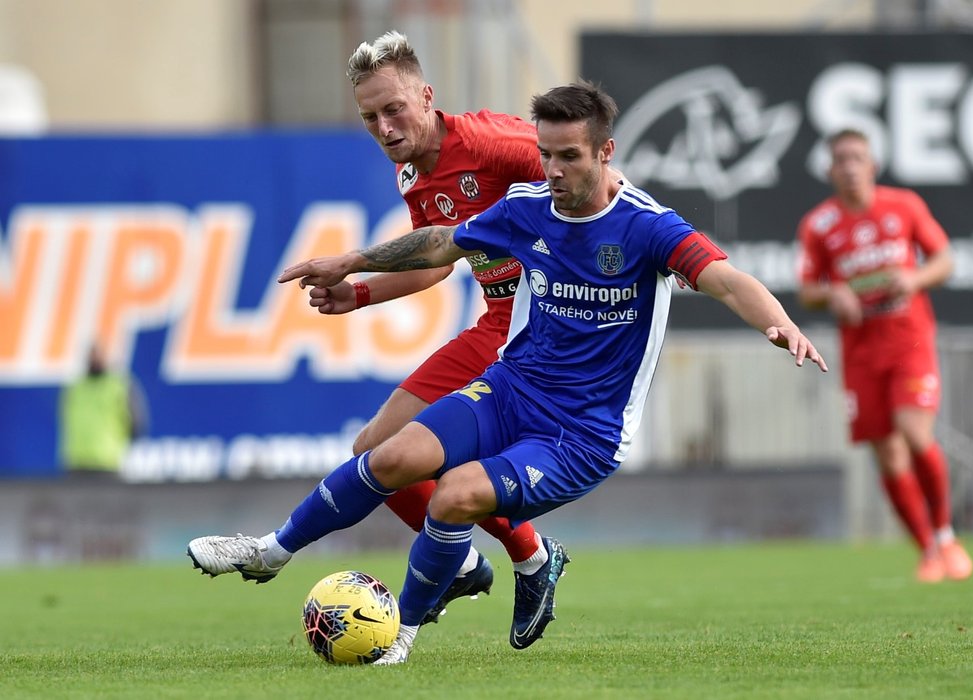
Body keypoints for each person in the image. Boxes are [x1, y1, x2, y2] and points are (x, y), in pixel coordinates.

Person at [208, 81, 826, 665]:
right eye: (545, 154)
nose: (553, 170)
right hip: (510, 389)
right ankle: (271, 552)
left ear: (606, 152)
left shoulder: (647, 227)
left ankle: (404, 634)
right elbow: (441, 245)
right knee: (390, 457)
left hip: (580, 434)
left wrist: (778, 323)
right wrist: (354, 262)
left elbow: (725, 278)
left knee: (454, 496)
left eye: (569, 156)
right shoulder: (528, 208)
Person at [188, 31, 557, 626]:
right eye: (369, 118)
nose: (384, 127)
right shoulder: (414, 174)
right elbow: (436, 263)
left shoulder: (491, 143)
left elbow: (586, 169)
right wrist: (358, 295)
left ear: (428, 96)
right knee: (374, 451)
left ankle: (527, 558)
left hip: (544, 331)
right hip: (496, 323)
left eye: (394, 109)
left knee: (439, 460)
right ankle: (468, 568)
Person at [796, 128, 973, 583]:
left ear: (873, 164)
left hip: (909, 340)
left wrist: (913, 280)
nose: (850, 166)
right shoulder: (819, 225)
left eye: (857, 157)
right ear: (830, 170)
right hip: (861, 352)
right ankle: (928, 551)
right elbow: (807, 289)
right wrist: (833, 294)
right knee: (889, 456)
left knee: (915, 434)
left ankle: (947, 535)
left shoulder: (905, 206)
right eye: (841, 159)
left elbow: (944, 259)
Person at [58, 342, 148, 480]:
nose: (94, 358)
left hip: (108, 464)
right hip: (77, 463)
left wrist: (118, 446)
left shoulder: (119, 386)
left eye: (99, 354)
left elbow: (137, 423)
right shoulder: (75, 388)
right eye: (92, 354)